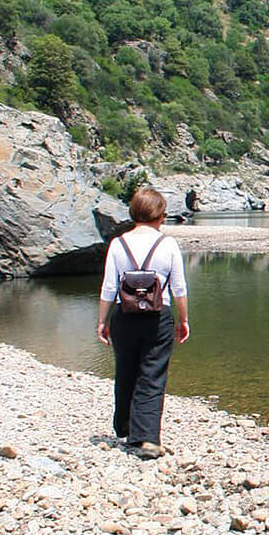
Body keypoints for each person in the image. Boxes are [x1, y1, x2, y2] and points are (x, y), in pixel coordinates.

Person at [96, 188, 190, 458]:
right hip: (157, 317)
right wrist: (183, 320)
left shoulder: (118, 244)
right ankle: (146, 438)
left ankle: (125, 429)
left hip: (123, 316)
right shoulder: (168, 244)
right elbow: (179, 289)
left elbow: (109, 288)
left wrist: (102, 321)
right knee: (152, 373)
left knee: (126, 370)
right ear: (160, 216)